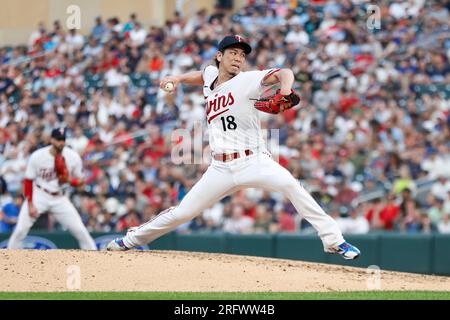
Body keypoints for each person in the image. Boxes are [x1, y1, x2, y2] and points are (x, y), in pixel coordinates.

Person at [107, 35, 360, 259]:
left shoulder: (249, 80)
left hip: (254, 160)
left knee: (292, 186)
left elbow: (285, 71)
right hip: (220, 167)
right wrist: (178, 78)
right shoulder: (210, 76)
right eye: (233, 53)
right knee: (184, 212)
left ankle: (334, 240)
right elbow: (203, 76)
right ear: (220, 56)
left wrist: (284, 90)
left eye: (242, 55)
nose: (239, 58)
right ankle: (130, 240)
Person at [7, 128, 97, 250]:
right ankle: (7, 259)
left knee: (81, 231)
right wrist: (30, 204)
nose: (61, 142)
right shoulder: (38, 156)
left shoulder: (72, 157)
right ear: (51, 140)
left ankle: (96, 261)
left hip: (60, 198)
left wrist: (69, 180)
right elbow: (28, 181)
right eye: (58, 139)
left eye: (63, 140)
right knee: (20, 230)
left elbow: (81, 183)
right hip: (39, 195)